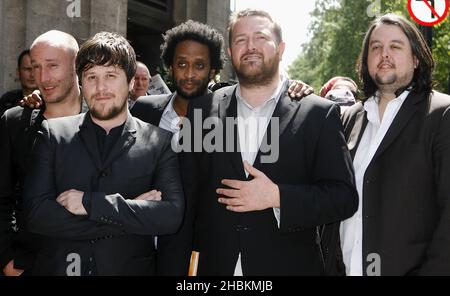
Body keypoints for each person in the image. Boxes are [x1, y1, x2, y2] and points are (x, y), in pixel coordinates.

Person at [182, 9, 358, 275]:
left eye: (260, 37)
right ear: (230, 52)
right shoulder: (200, 110)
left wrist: (278, 197)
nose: (250, 46)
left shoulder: (318, 114)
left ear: (281, 48)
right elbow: (184, 194)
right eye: (240, 39)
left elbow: (343, 198)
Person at [22, 32, 184, 276]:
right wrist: (131, 217)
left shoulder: (159, 142)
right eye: (91, 77)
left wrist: (90, 203)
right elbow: (37, 215)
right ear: (81, 82)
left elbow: (170, 216)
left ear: (130, 82)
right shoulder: (53, 134)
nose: (101, 88)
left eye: (110, 76)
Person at [341, 13, 450, 275]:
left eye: (395, 46)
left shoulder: (441, 114)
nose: (384, 54)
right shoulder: (350, 118)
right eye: (376, 47)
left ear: (415, 59)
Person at [0, 30, 84, 276]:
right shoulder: (14, 122)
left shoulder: (102, 119)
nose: (43, 77)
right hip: (30, 263)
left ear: (76, 65)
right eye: (36, 67)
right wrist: (8, 259)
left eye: (52, 66)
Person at [0, 50, 37, 115]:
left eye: (36, 69)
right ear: (18, 72)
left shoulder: (50, 101)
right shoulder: (7, 100)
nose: (32, 75)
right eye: (27, 69)